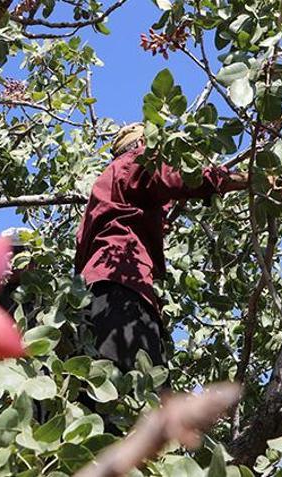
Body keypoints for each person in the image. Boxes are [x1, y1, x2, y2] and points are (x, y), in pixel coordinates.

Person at [74, 123, 248, 372]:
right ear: (143, 143)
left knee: (100, 389)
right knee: (143, 395)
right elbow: (180, 179)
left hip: (91, 296)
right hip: (122, 290)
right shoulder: (137, 159)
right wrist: (243, 179)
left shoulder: (104, 188)